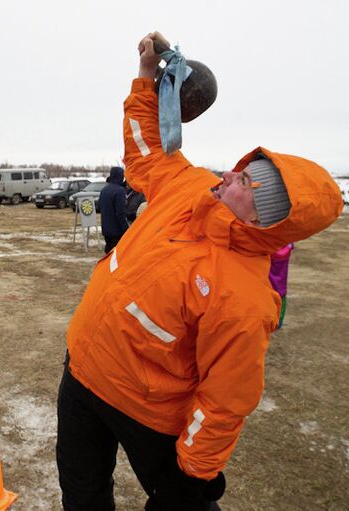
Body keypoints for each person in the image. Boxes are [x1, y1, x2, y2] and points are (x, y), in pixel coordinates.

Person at [56, 32, 343, 511]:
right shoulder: (188, 185)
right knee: (82, 495)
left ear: (263, 215)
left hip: (145, 412)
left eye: (246, 181)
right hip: (82, 373)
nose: (229, 173)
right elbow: (144, 147)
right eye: (243, 168)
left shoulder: (245, 299)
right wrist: (148, 78)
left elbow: (225, 401)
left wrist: (190, 477)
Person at [98, 166, 129, 252]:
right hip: (117, 231)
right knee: (117, 256)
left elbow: (100, 207)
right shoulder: (120, 191)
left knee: (109, 254)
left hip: (106, 230)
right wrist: (126, 229)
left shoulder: (104, 190)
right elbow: (120, 213)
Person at [269, 243, 294, 329]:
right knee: (280, 291)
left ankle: (273, 319)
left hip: (270, 259)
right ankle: (279, 320)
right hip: (282, 260)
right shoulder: (287, 243)